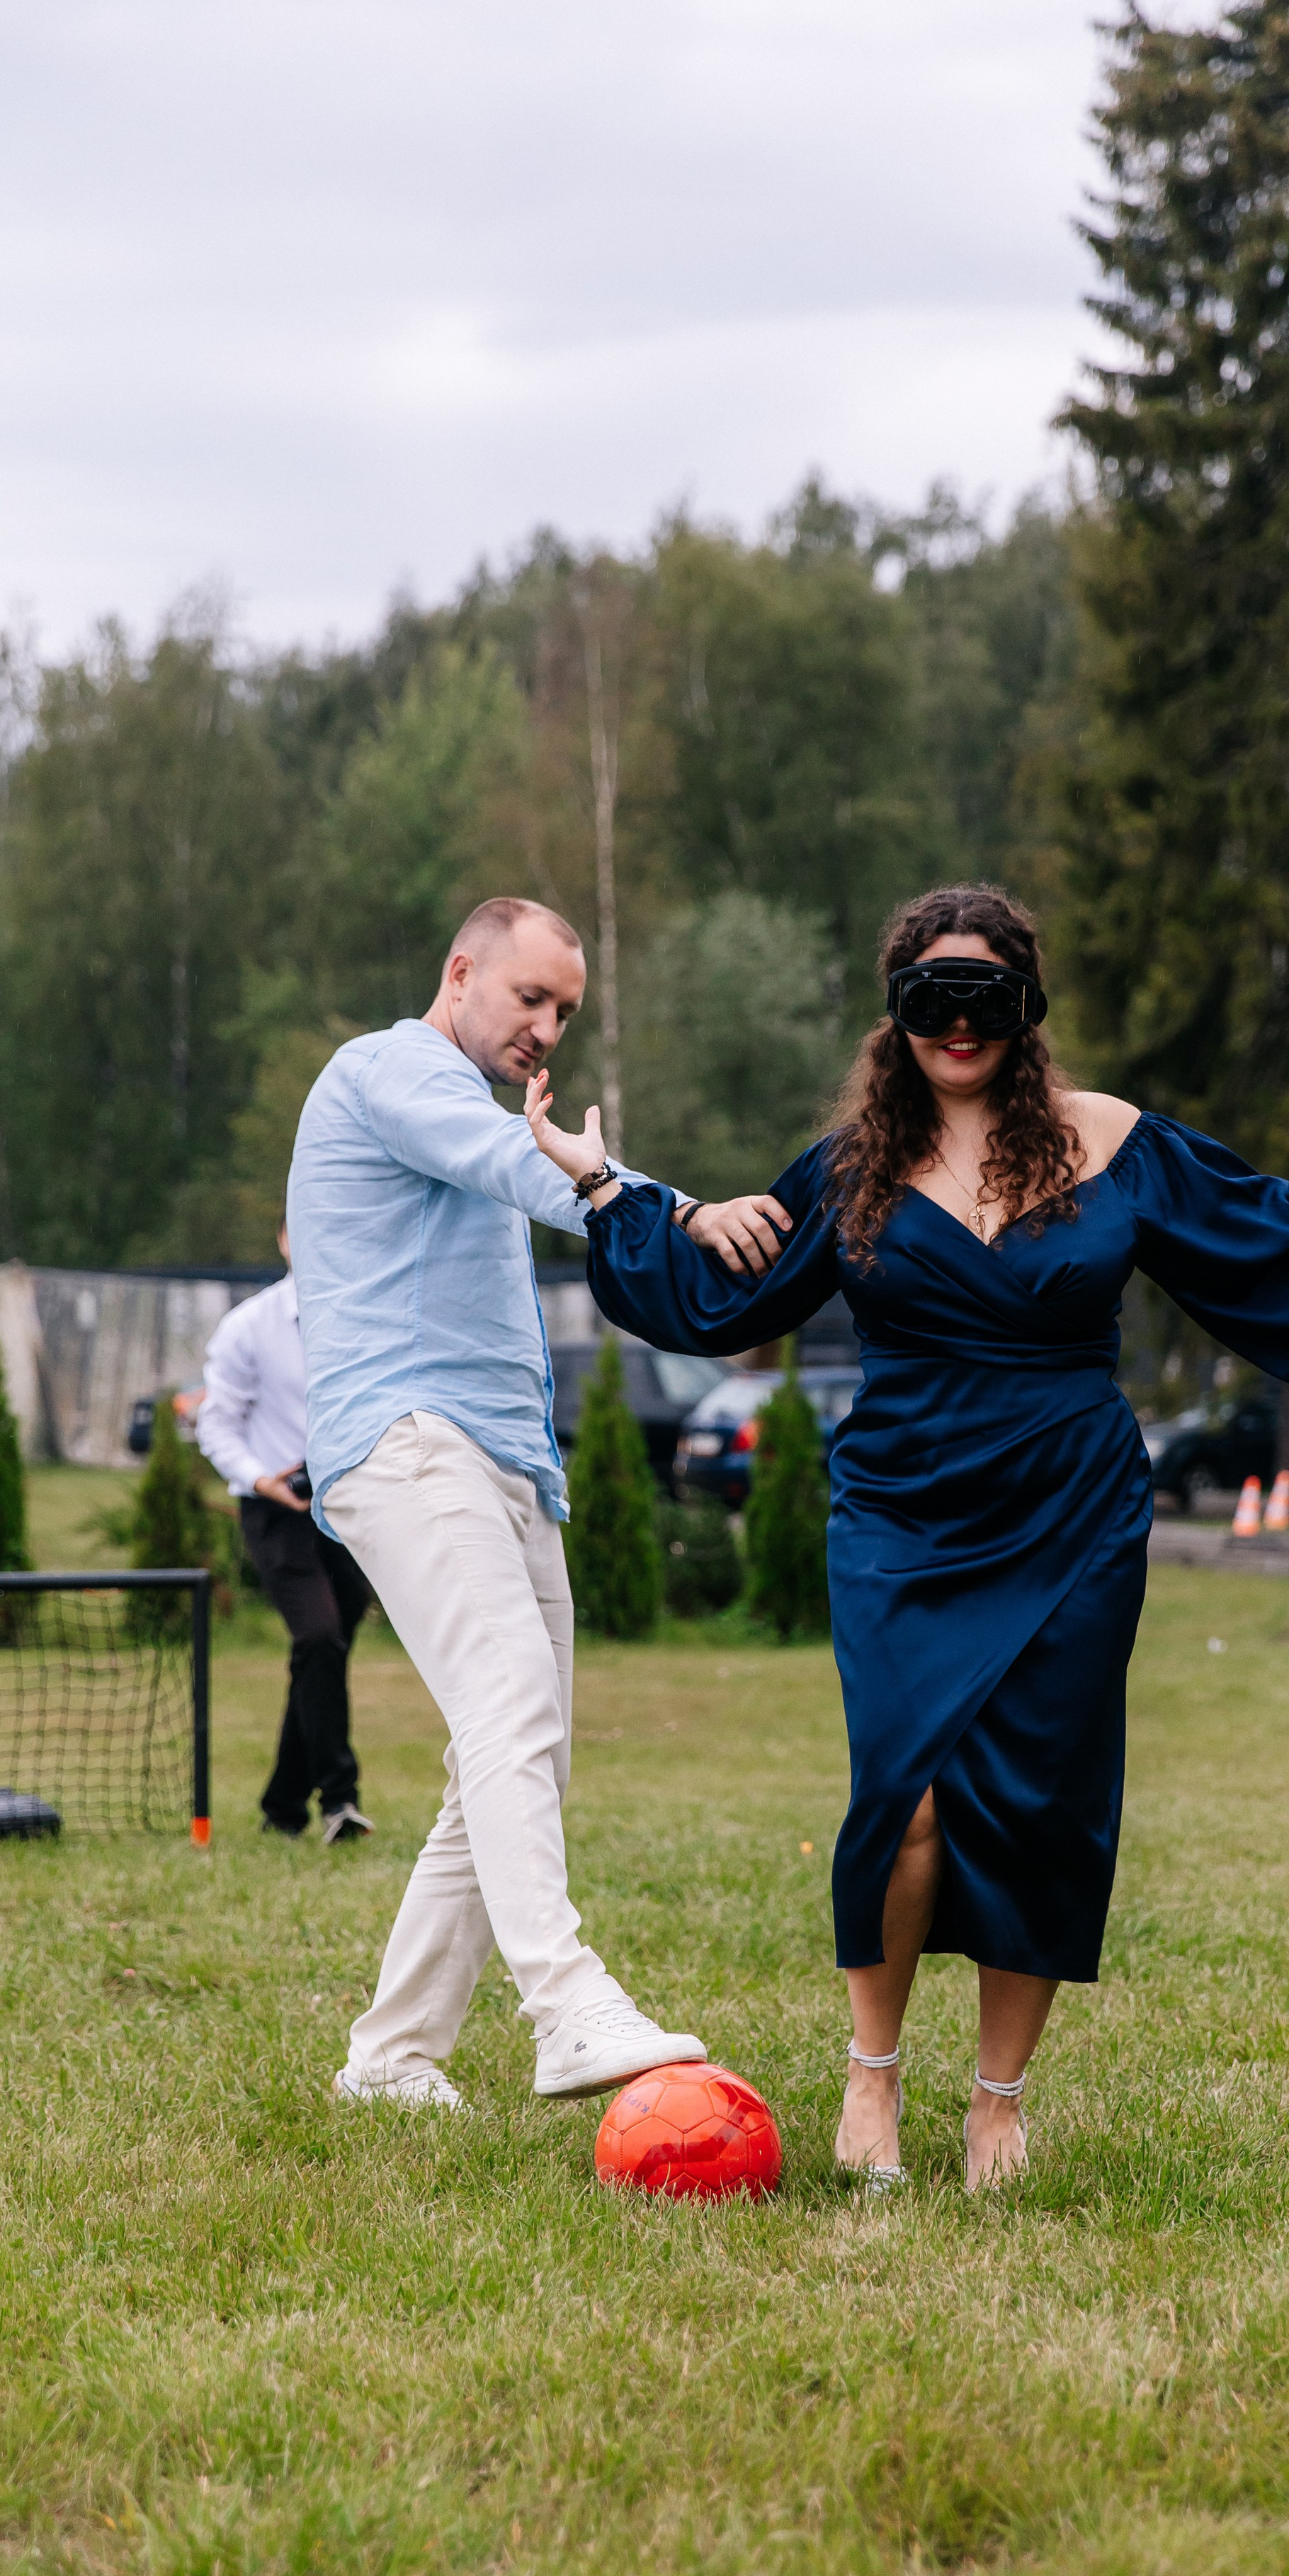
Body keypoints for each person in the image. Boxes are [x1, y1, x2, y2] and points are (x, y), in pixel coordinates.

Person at [525, 882, 1289, 2189]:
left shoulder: (1115, 1142)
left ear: (1026, 1007)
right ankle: (873, 2072)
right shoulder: (852, 1165)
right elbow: (716, 1290)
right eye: (932, 998)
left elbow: (1277, 1244)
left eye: (985, 998)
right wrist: (607, 1186)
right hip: (904, 1511)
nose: (958, 1025)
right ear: (896, 1012)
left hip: (1073, 1511)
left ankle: (999, 2101)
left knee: (1040, 1803)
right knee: (904, 1801)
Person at [289, 896, 788, 2111]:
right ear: (461, 972)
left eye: (565, 1010)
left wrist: (681, 1210)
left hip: (506, 1459)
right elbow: (522, 1163)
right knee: (510, 1708)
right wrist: (668, 1208)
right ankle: (565, 2008)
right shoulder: (390, 1073)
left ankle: (391, 2059)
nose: (548, 1029)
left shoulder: (477, 1104)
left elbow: (552, 1164)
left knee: (516, 1757)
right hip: (411, 1440)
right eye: (531, 998)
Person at [198, 1221, 374, 1845]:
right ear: (282, 1241)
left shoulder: (362, 1314)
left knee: (323, 1652)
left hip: (348, 1504)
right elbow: (215, 1424)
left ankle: (281, 1808)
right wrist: (259, 1479)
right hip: (277, 1509)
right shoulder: (250, 1326)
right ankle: (340, 1799)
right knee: (320, 1637)